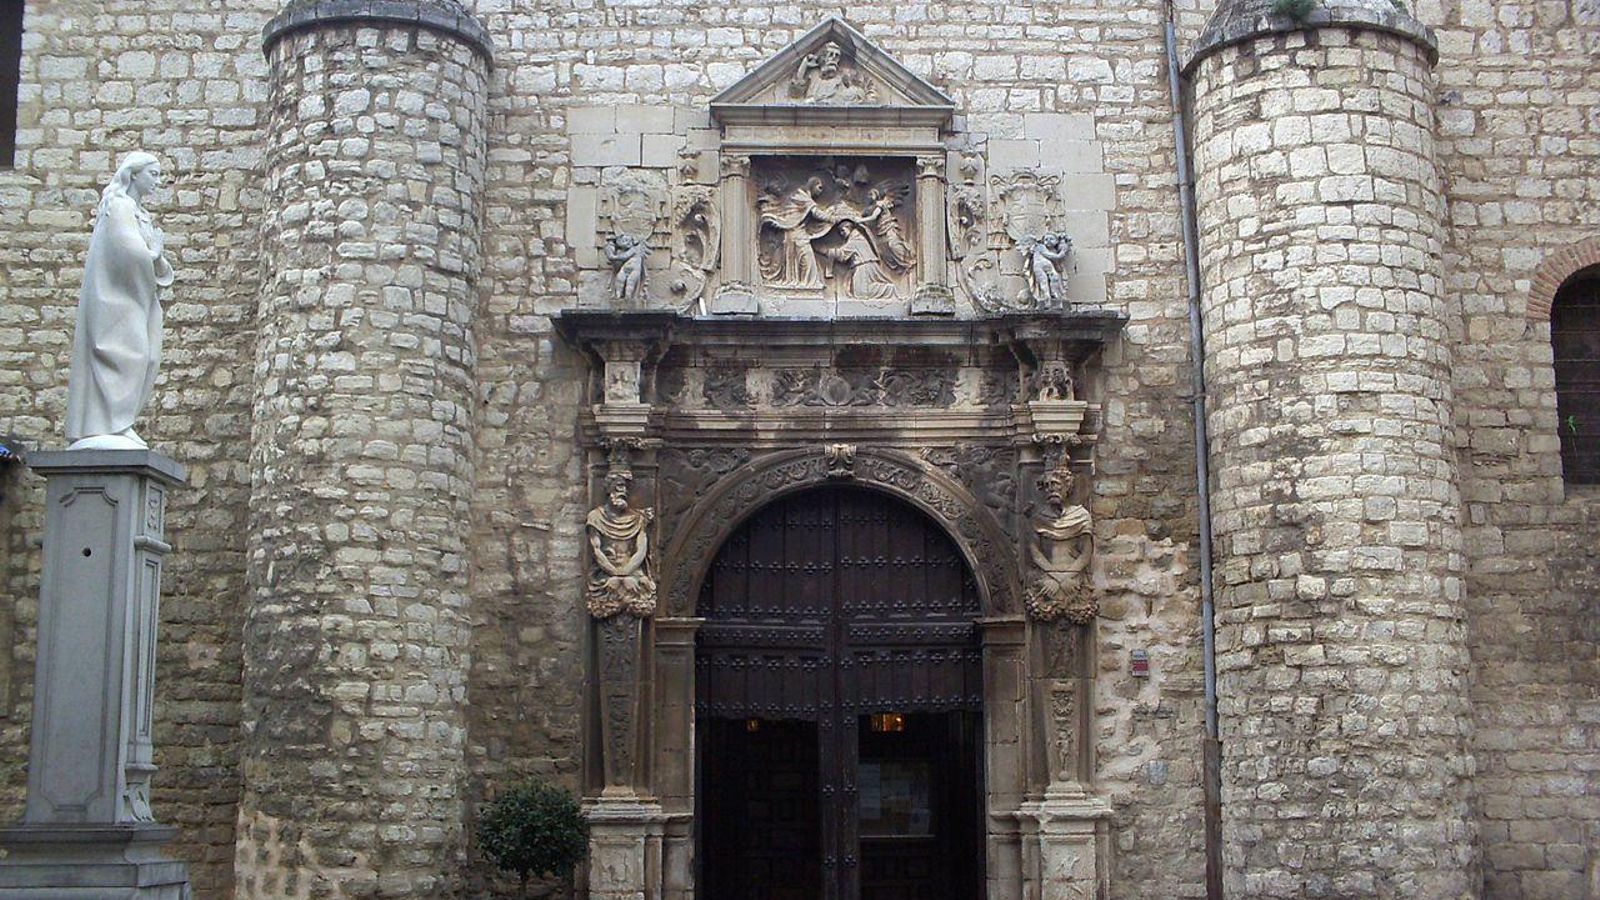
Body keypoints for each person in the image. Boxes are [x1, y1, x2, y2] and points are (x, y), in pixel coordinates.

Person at [65, 152, 174, 449]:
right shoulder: (119, 205)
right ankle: (108, 424)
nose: (158, 181)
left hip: (139, 298)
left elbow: (147, 256)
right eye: (153, 174)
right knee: (130, 354)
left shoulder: (140, 213)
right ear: (134, 174)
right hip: (115, 299)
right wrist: (153, 253)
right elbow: (127, 249)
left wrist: (156, 257)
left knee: (149, 356)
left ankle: (120, 422)